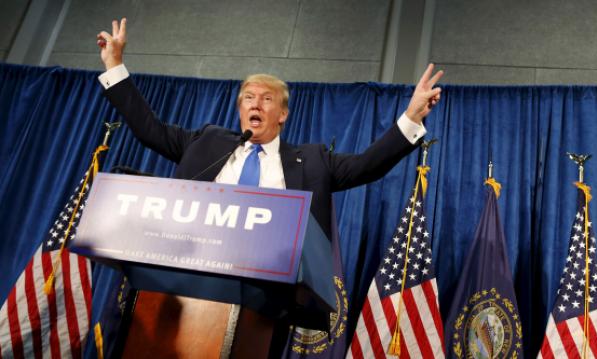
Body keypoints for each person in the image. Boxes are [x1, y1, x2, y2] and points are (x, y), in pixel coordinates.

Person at [96, 18, 443, 358]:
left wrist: (411, 117)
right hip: (180, 291)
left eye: (266, 98)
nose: (255, 104)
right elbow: (149, 129)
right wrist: (114, 65)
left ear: (282, 114)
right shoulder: (205, 142)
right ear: (239, 109)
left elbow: (369, 165)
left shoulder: (313, 161)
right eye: (248, 97)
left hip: (265, 307)